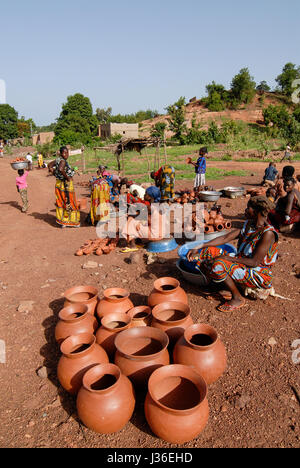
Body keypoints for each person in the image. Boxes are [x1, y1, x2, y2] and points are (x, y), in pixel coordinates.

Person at [187, 196, 278, 312]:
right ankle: (226, 289)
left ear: (257, 212)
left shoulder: (268, 233)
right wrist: (200, 246)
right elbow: (226, 237)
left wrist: (225, 258)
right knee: (208, 252)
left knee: (219, 264)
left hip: (259, 273)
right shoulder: (249, 225)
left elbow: (254, 262)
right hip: (242, 264)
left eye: (248, 208)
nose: (245, 210)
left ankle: (237, 297)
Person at [121, 186, 167, 252]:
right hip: (162, 233)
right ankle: (140, 241)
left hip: (155, 235)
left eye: (146, 194)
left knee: (131, 220)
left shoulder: (150, 208)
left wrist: (132, 216)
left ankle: (132, 245)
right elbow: (151, 220)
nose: (144, 195)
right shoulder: (160, 206)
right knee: (140, 222)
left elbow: (139, 215)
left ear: (150, 197)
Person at [48, 146, 80, 228]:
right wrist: (67, 177)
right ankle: (72, 221)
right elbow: (61, 169)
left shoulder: (58, 160)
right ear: (61, 153)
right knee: (70, 201)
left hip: (59, 184)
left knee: (61, 201)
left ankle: (63, 221)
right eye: (64, 153)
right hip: (66, 185)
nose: (66, 154)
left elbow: (49, 165)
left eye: (67, 152)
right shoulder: (62, 161)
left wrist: (55, 174)